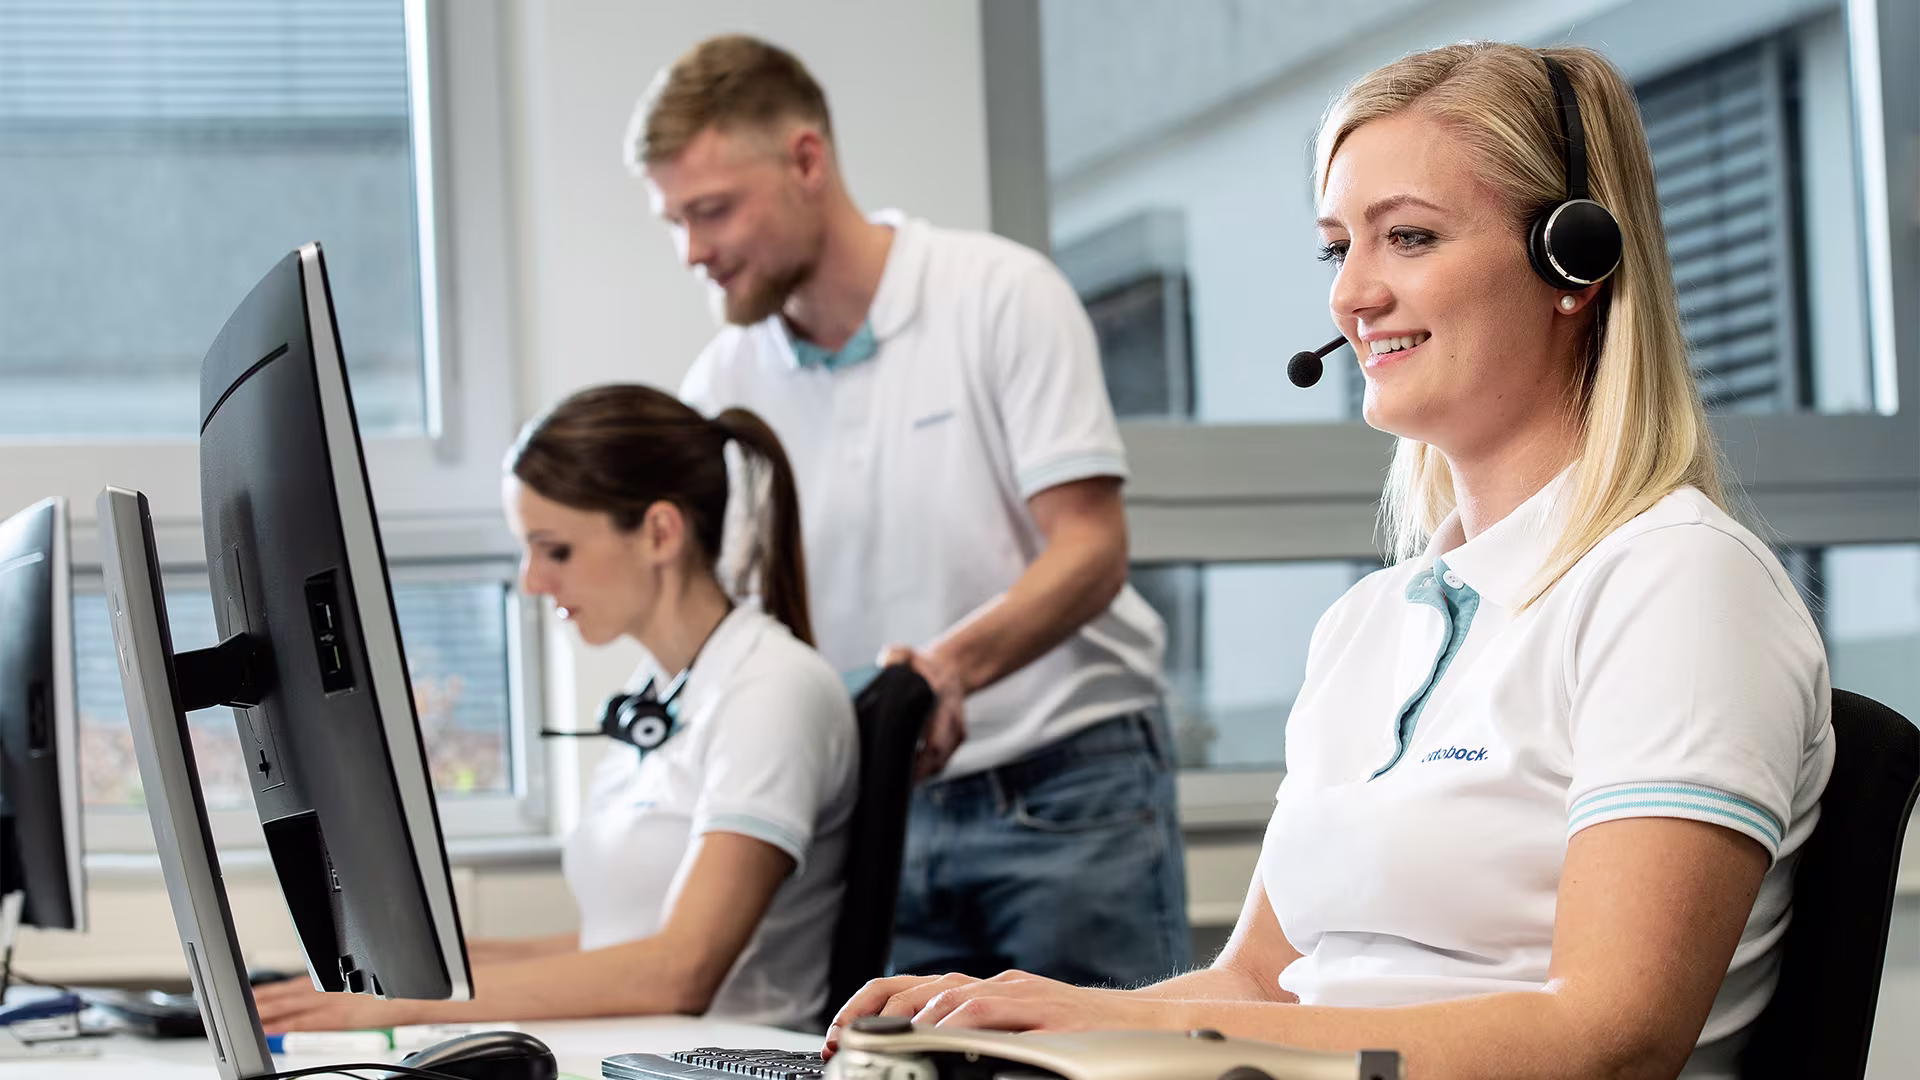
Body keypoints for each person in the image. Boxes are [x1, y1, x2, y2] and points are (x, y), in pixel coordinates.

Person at [832, 43, 1834, 1080]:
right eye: (1335, 247)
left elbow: (1609, 1036)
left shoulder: (1678, 586)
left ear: (1572, 263)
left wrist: (1159, 1038)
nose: (1352, 293)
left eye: (1408, 237)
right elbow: (1261, 984)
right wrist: (1052, 1015)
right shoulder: (1368, 626)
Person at [631, 34, 1189, 987]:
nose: (695, 252)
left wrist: (948, 669)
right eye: (674, 220)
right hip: (871, 806)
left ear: (808, 160)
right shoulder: (722, 380)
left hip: (1065, 787)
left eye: (713, 211)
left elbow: (1092, 549)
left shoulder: (1001, 295)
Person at [255, 384, 858, 1032]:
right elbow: (608, 947)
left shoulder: (772, 690)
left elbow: (679, 971)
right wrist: (408, 974)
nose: (532, 581)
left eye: (556, 549)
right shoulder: (661, 690)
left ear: (660, 532)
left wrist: (401, 1004)